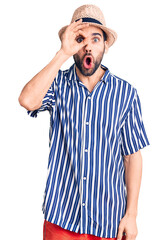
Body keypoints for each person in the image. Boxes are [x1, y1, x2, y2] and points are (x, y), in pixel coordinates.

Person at [18, 4, 150, 240]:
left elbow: (132, 157)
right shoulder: (57, 85)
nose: (87, 46)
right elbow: (27, 100)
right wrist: (62, 53)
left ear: (106, 45)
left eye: (96, 39)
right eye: (79, 39)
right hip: (61, 218)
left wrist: (131, 215)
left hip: (108, 220)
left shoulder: (126, 93)